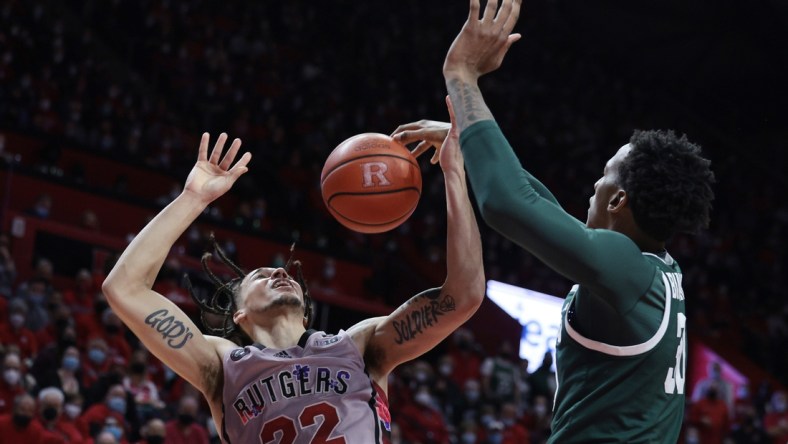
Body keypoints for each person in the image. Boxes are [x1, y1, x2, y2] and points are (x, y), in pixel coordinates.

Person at [392, 0, 715, 442]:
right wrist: (468, 140)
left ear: (619, 199)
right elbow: (541, 206)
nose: (593, 187)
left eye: (603, 176)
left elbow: (509, 203)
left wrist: (462, 74)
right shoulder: (657, 268)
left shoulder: (626, 267)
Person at [101, 126, 484, 443]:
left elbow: (463, 295)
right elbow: (124, 289)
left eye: (283, 273)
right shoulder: (222, 365)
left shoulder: (359, 345)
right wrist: (192, 199)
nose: (279, 273)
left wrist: (454, 172)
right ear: (240, 313)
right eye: (261, 275)